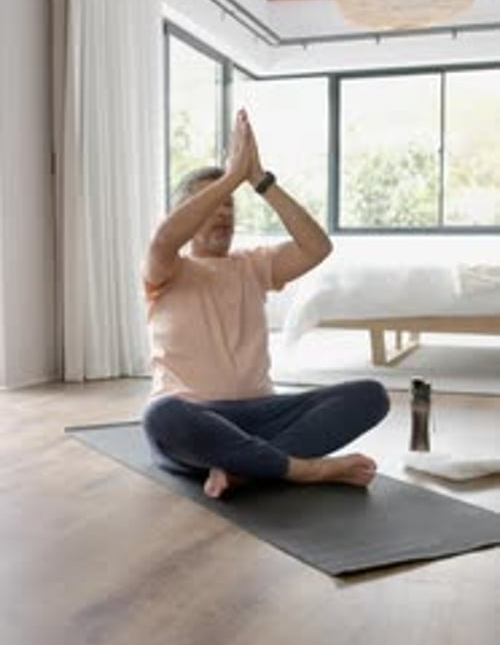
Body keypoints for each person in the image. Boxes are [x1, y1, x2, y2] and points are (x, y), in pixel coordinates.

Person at [142, 109, 389, 499]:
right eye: (213, 202)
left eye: (230, 204)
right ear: (185, 214)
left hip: (262, 415)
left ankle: (244, 468)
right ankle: (301, 469)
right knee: (161, 417)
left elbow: (317, 247)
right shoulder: (166, 269)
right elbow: (163, 239)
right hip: (195, 417)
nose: (224, 211)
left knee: (371, 396)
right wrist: (230, 177)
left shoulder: (254, 265)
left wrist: (258, 179)